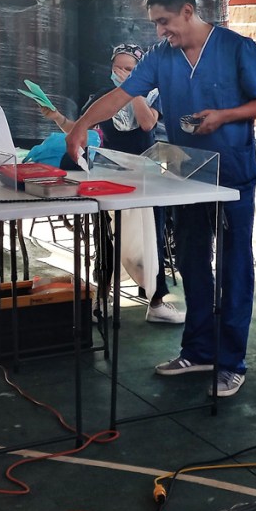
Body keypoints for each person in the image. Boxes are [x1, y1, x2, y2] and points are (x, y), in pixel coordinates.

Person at [66, 0, 256, 397]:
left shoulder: (238, 49)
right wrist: (79, 127)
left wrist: (224, 115)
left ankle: (231, 360)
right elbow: (121, 96)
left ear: (187, 11)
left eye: (164, 22)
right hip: (189, 176)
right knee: (192, 261)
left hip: (233, 174)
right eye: (155, 25)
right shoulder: (162, 57)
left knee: (234, 267)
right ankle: (198, 350)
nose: (160, 32)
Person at [43, 43, 183, 324]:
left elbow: (146, 124)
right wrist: (56, 117)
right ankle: (103, 297)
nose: (121, 73)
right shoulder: (101, 98)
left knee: (150, 237)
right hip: (109, 175)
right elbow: (78, 127)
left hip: (145, 176)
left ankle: (155, 300)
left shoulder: (154, 96)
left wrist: (132, 90)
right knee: (105, 237)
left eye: (129, 69)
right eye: (117, 68)